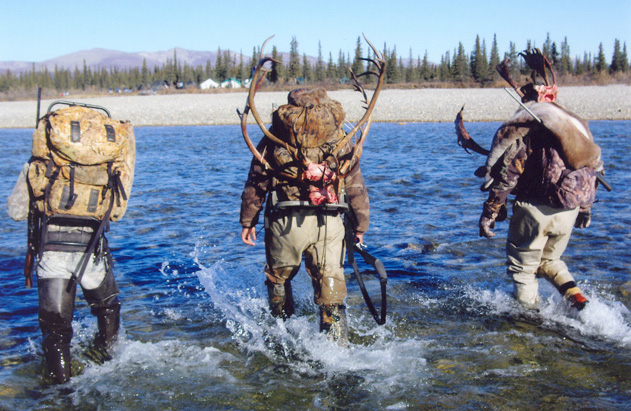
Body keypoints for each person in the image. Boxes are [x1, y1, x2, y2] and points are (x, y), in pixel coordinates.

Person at [7, 103, 134, 384]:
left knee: (56, 332)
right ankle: (110, 366)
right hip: (93, 253)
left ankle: (61, 394)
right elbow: (117, 212)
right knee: (107, 309)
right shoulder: (108, 165)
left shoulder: (40, 165)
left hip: (52, 253)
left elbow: (15, 212)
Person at [239, 87, 371, 343]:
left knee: (278, 280)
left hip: (285, 224)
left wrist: (248, 220)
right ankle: (336, 350)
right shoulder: (342, 137)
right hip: (329, 222)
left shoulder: (273, 136)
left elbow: (256, 182)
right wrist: (360, 225)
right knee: (330, 287)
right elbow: (356, 186)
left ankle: (281, 339)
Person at [478, 50, 603, 311]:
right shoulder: (576, 126)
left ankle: (528, 321)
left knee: (524, 270)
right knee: (550, 260)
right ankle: (580, 302)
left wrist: (490, 211)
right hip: (569, 208)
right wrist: (585, 208)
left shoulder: (530, 128)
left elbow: (509, 174)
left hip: (535, 209)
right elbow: (592, 167)